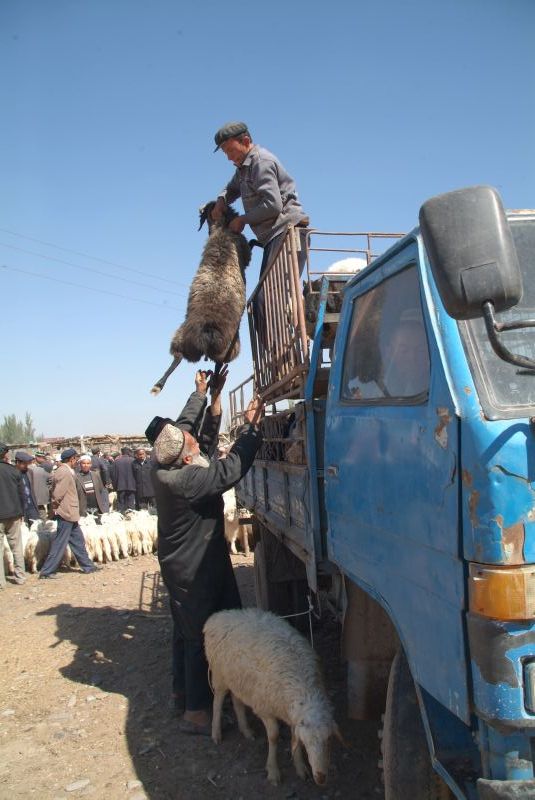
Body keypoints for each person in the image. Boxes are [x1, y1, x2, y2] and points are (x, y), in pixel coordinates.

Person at [149, 367, 263, 735]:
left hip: (184, 561)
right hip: (194, 566)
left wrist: (205, 393)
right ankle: (197, 712)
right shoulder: (189, 480)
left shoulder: (164, 463)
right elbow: (230, 469)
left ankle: (184, 695)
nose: (195, 440)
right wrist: (252, 429)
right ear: (185, 458)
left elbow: (184, 428)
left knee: (185, 631)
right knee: (201, 633)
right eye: (192, 444)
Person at [211, 122, 309, 350]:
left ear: (245, 142)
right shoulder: (243, 168)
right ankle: (278, 359)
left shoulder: (261, 162)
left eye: (230, 151)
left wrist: (242, 220)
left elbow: (273, 206)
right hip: (274, 238)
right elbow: (231, 188)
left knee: (269, 300)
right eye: (225, 153)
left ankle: (284, 358)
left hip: (288, 233)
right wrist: (221, 200)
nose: (228, 157)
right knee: (260, 302)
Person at [39, 448, 101, 579]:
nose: (77, 462)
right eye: (76, 459)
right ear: (71, 459)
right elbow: (58, 494)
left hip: (70, 513)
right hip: (66, 513)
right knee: (60, 542)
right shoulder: (64, 472)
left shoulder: (66, 471)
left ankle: (88, 566)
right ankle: (47, 571)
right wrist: (54, 509)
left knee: (78, 541)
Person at [0, 443, 26, 587]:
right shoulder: (13, 471)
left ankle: (1, 581)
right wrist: (22, 512)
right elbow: (21, 494)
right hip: (14, 514)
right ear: (5, 455)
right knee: (16, 546)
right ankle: (20, 576)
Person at [76, 454, 109, 518]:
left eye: (88, 463)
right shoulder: (76, 477)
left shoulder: (96, 475)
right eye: (84, 463)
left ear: (91, 464)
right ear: (80, 464)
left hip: (96, 507)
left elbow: (101, 491)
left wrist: (105, 507)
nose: (86, 465)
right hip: (83, 508)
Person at [15, 451, 41, 524]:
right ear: (17, 462)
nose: (26, 466)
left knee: (36, 528)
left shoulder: (29, 472)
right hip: (20, 508)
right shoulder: (13, 473)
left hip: (32, 506)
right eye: (24, 464)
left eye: (27, 463)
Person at [28, 453, 51, 520]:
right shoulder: (41, 469)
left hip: (28, 499)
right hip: (39, 499)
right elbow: (51, 478)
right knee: (42, 514)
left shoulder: (23, 470)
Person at [113, 447, 136, 513]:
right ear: (128, 452)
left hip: (120, 486)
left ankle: (121, 516)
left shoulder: (116, 462)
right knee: (131, 502)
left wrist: (115, 486)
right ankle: (131, 517)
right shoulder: (133, 460)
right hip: (132, 485)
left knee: (121, 503)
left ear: (121, 452)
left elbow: (114, 475)